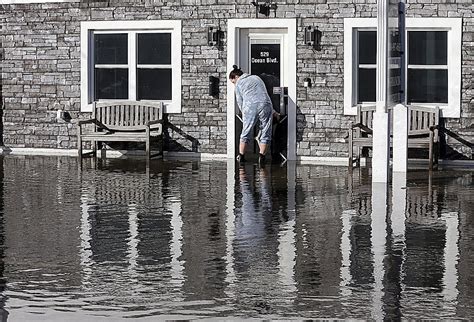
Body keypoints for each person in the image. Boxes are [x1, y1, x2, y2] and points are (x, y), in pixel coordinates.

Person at [229, 65, 274, 166]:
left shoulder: (239, 83)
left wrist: (244, 115)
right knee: (266, 130)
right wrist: (273, 111)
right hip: (265, 104)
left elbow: (240, 102)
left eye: (233, 82)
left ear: (235, 77)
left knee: (246, 131)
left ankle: (241, 156)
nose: (234, 84)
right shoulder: (257, 78)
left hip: (250, 105)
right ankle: (262, 158)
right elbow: (264, 94)